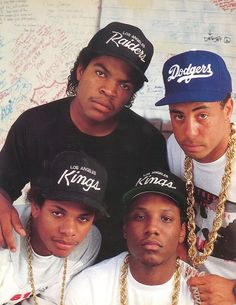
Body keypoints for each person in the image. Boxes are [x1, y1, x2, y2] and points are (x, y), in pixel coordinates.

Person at [0, 22, 168, 259]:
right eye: (101, 73)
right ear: (80, 70)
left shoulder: (147, 142)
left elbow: (158, 212)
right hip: (43, 259)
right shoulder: (35, 124)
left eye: (124, 84)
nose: (109, 90)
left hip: (112, 266)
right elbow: (3, 185)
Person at [155, 50, 236, 305]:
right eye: (178, 115)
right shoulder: (175, 149)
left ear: (228, 108)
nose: (188, 132)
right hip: (187, 283)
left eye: (202, 114)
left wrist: (233, 292)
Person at [65, 169, 203, 305]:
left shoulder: (203, 292)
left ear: (182, 232)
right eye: (140, 217)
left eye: (166, 218)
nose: (152, 228)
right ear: (125, 228)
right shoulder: (89, 287)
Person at [0, 150, 108, 305]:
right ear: (36, 206)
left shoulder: (89, 241)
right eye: (58, 213)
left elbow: (50, 300)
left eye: (83, 218)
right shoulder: (5, 237)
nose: (69, 230)